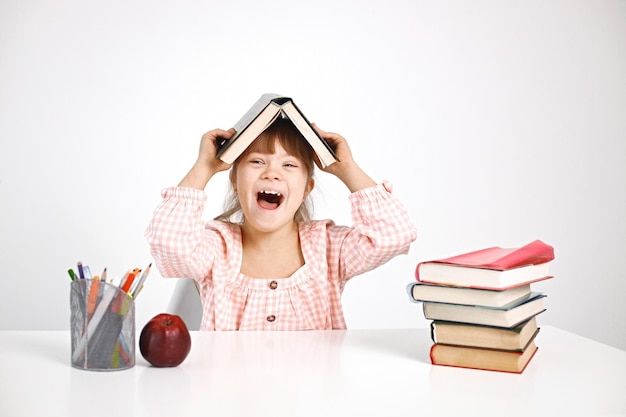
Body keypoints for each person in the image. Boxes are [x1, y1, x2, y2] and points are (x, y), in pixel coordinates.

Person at [145, 117, 417, 330]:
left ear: (306, 189)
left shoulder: (328, 248)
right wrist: (204, 167)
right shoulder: (217, 247)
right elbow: (170, 244)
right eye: (257, 161)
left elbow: (394, 234)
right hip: (230, 395)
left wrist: (346, 168)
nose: (272, 173)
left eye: (289, 165)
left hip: (313, 396)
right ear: (236, 183)